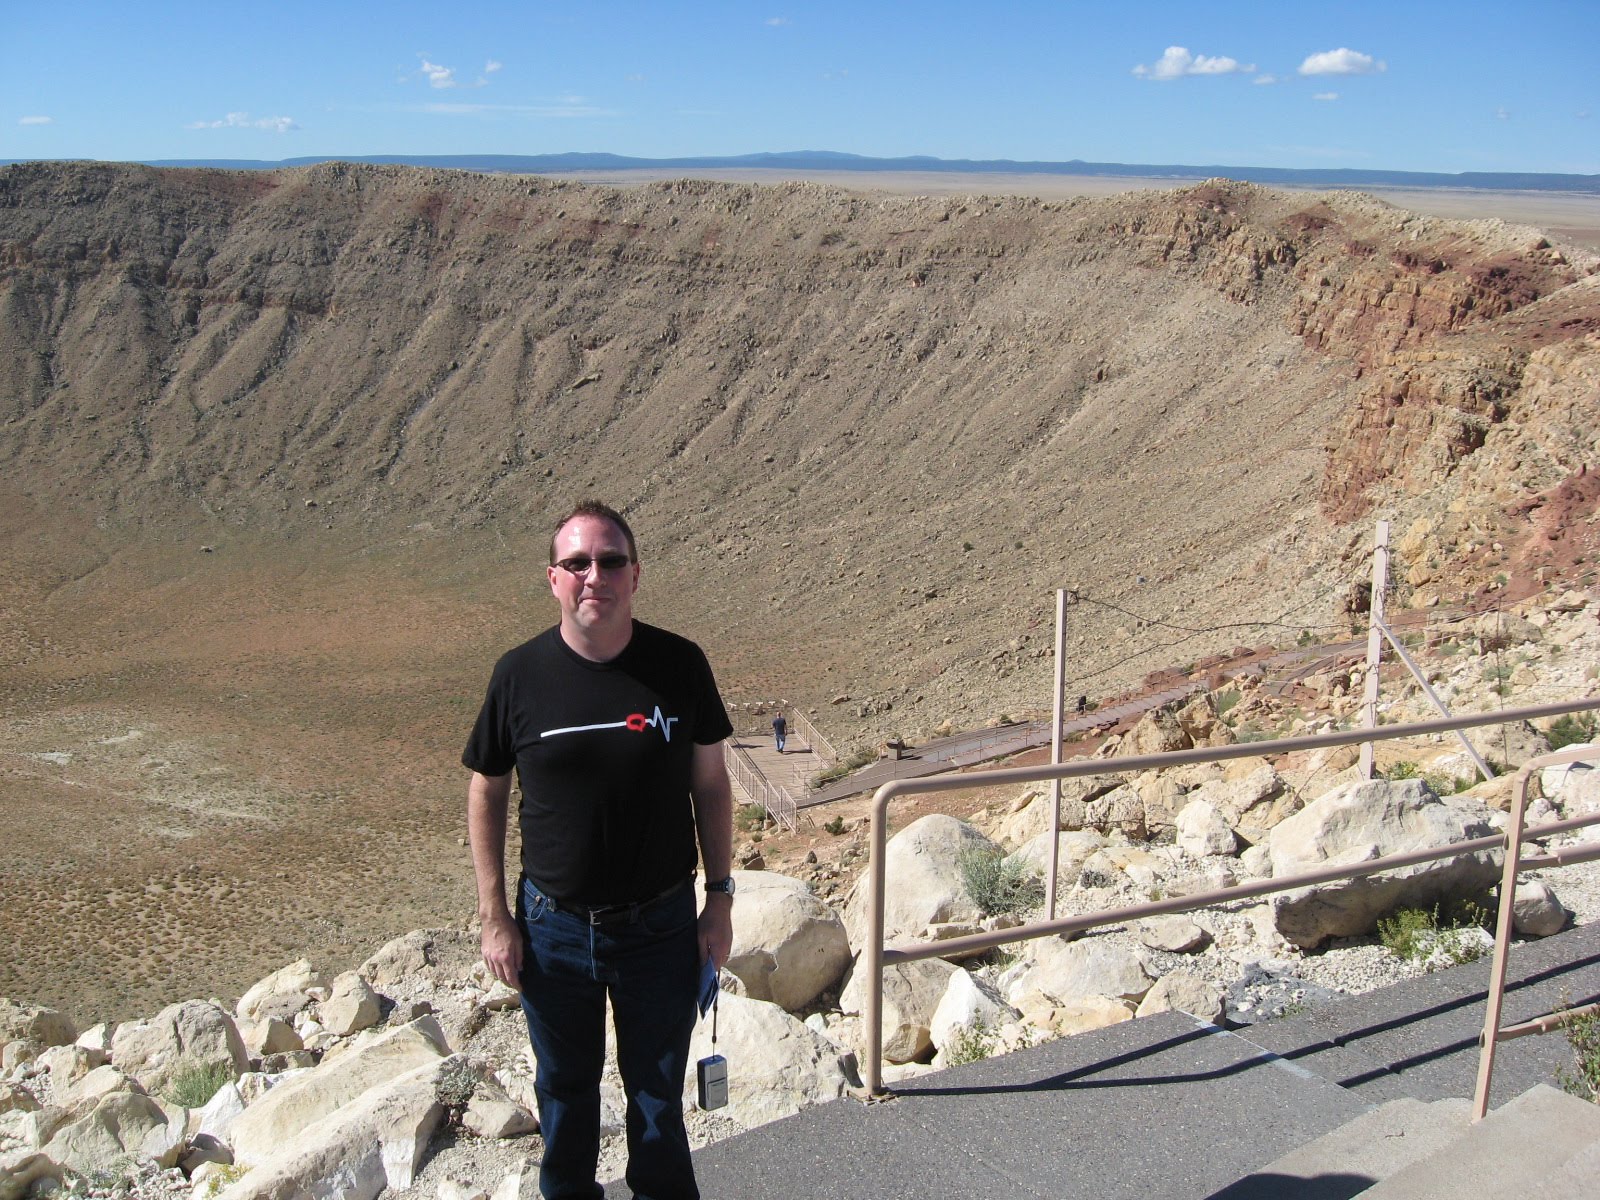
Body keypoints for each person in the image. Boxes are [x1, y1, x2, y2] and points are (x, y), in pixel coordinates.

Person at [464, 500, 734, 1200]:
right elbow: (486, 791)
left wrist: (720, 899)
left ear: (636, 575)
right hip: (553, 931)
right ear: (552, 578)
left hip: (662, 924)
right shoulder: (519, 676)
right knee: (565, 1097)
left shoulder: (680, 666)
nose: (595, 576)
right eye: (577, 563)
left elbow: (711, 785)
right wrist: (495, 916)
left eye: (610, 561)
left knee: (656, 1103)